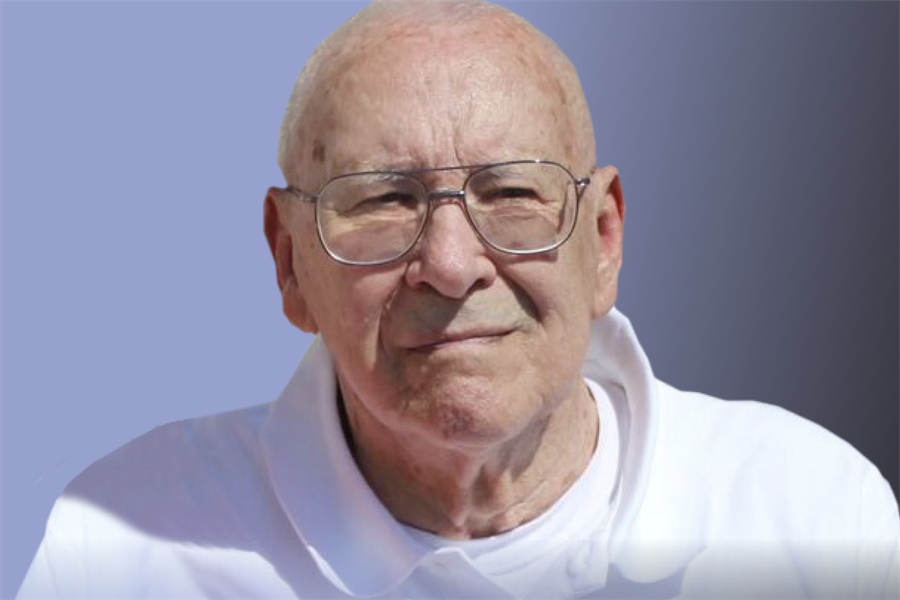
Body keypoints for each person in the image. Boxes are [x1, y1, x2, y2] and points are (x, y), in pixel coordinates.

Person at [17, 1, 899, 598]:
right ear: (289, 263)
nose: (449, 262)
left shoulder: (811, 512)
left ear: (602, 240)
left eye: (512, 194)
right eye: (381, 200)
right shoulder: (127, 546)